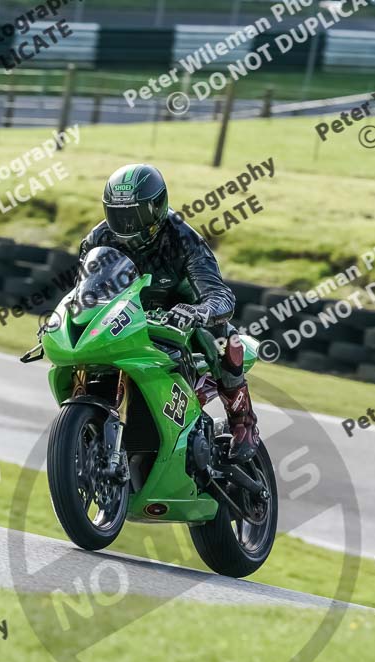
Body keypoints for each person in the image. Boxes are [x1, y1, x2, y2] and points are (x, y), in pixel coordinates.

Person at [78, 163, 259, 463]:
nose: (126, 225)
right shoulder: (98, 240)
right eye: (118, 215)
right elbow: (82, 294)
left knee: (223, 339)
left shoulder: (182, 239)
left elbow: (220, 295)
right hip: (126, 316)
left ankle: (243, 422)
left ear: (157, 207)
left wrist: (199, 311)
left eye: (135, 215)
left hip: (179, 316)